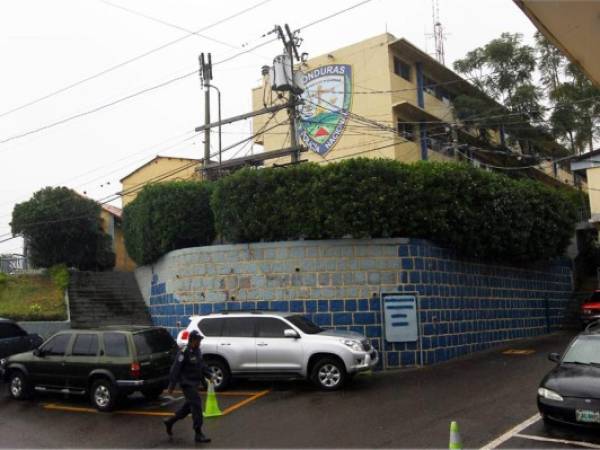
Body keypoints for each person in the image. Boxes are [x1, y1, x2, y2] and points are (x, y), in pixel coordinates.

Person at [163, 330, 213, 443]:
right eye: (198, 340)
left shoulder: (197, 351)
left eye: (200, 340)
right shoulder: (184, 352)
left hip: (195, 383)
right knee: (196, 406)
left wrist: (209, 374)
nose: (199, 342)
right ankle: (198, 433)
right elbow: (176, 368)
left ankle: (170, 421)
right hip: (187, 384)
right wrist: (171, 385)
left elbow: (202, 365)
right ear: (192, 340)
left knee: (188, 408)